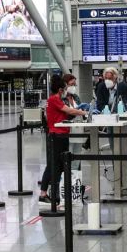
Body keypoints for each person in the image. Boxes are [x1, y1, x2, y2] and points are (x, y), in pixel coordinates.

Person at [39, 74, 88, 204]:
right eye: (66, 88)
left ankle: (55, 193)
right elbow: (69, 111)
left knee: (59, 166)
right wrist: (84, 112)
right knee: (52, 165)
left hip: (62, 135)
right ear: (61, 89)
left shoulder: (55, 99)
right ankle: (43, 193)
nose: (67, 90)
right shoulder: (54, 99)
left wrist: (78, 110)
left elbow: (65, 114)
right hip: (56, 136)